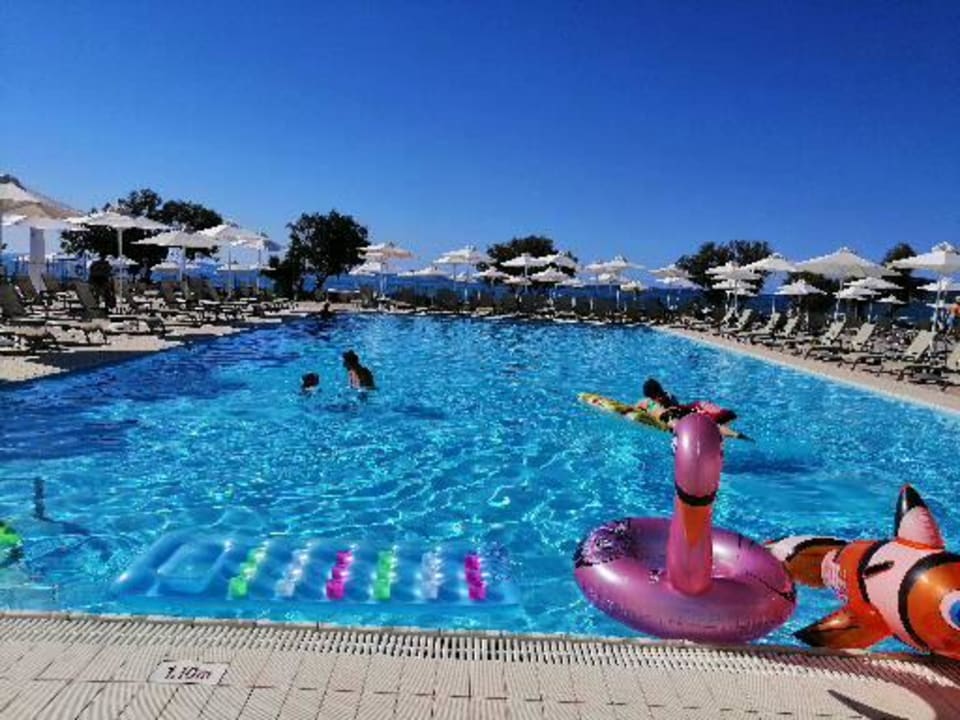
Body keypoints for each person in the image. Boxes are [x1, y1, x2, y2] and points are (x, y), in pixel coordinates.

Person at [637, 377, 744, 440]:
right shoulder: (669, 396)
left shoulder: (648, 402)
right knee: (712, 425)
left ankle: (734, 434)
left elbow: (637, 408)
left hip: (675, 416)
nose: (660, 397)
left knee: (672, 420)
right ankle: (735, 434)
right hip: (683, 412)